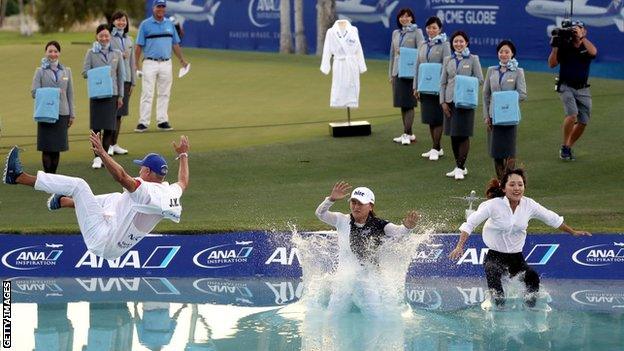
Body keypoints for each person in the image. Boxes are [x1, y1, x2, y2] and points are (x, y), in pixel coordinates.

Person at [2, 133, 190, 260]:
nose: (139, 169)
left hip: (103, 240)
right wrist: (183, 155)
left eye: (142, 167)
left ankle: (18, 177)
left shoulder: (145, 192)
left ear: (148, 171)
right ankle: (61, 201)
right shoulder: (169, 192)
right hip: (115, 245)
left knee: (79, 185)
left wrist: (102, 153)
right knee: (117, 199)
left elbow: (122, 177)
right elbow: (183, 182)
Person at [448, 168, 591, 307]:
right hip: (494, 257)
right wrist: (459, 246)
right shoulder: (492, 205)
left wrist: (572, 232)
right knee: (492, 272)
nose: (517, 188)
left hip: (516, 258)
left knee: (533, 277)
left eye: (520, 184)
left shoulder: (530, 205)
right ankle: (498, 309)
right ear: (504, 188)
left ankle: (531, 309)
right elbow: (470, 224)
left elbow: (552, 219)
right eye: (512, 185)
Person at [315, 181, 419, 314]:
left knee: (375, 315)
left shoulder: (379, 225)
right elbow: (320, 214)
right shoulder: (341, 220)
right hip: (344, 280)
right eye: (353, 202)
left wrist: (408, 227)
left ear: (370, 206)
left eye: (360, 203)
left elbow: (399, 232)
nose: (356, 207)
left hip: (369, 280)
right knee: (333, 315)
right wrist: (331, 199)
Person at [135, 0, 189, 133]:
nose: (161, 9)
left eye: (163, 7)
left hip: (166, 63)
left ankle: (162, 121)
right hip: (149, 62)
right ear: (153, 8)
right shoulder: (145, 24)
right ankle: (143, 122)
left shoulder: (169, 24)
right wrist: (136, 64)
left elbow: (175, 44)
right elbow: (139, 46)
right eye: (158, 6)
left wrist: (182, 60)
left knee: (164, 93)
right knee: (147, 93)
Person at [548, 20, 597, 161]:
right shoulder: (565, 46)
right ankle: (565, 146)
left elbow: (594, 52)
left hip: (583, 88)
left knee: (583, 121)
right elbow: (552, 64)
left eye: (579, 28)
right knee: (572, 114)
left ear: (584, 31)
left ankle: (567, 147)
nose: (576, 30)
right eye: (574, 29)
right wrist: (555, 47)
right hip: (566, 86)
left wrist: (581, 38)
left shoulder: (586, 46)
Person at [440, 31, 484, 180]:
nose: (458, 44)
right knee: (453, 134)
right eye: (455, 42)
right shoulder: (448, 59)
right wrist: (443, 102)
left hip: (466, 102)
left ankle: (460, 167)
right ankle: (459, 166)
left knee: (463, 134)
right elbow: (443, 82)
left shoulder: (473, 59)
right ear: (452, 44)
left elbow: (479, 79)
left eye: (461, 41)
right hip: (450, 101)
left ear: (466, 43)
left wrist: (464, 83)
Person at [83, 24, 125, 169]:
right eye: (101, 36)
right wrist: (98, 74)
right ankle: (96, 158)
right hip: (96, 94)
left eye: (106, 35)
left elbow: (121, 76)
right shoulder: (91, 53)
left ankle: (104, 157)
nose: (104, 38)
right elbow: (84, 72)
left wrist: (121, 96)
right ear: (97, 37)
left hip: (112, 94)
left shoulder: (117, 53)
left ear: (110, 37)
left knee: (109, 128)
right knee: (96, 128)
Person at [483, 40, 527, 179]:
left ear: (512, 53)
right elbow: (486, 94)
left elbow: (522, 94)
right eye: (501, 51)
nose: (503, 54)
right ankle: (501, 184)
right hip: (494, 117)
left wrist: (506, 100)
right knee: (496, 152)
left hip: (509, 117)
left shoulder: (518, 71)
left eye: (506, 51)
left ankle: (507, 181)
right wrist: (486, 115)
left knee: (510, 151)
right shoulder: (491, 70)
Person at [31, 41, 75, 174]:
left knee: (56, 148)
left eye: (55, 51)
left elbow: (70, 94)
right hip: (45, 114)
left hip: (62, 113)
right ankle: (47, 178)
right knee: (46, 148)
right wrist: (53, 92)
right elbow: (34, 92)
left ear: (59, 53)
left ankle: (53, 177)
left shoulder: (67, 71)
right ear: (46, 53)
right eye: (50, 51)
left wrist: (72, 114)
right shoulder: (40, 71)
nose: (53, 54)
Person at [414, 16, 451, 161]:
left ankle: (435, 148)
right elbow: (417, 66)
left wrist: (444, 87)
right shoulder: (422, 44)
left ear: (440, 29)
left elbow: (447, 66)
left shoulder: (445, 45)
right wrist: (415, 86)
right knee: (430, 118)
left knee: (437, 118)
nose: (431, 30)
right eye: (429, 27)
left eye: (434, 27)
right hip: (424, 87)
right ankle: (437, 147)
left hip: (438, 87)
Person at [388, 8, 424, 145]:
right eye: (402, 16)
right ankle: (409, 134)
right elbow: (392, 54)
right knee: (402, 103)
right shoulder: (396, 33)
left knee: (409, 103)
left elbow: (421, 51)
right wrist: (391, 74)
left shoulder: (417, 32)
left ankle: (406, 133)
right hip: (397, 72)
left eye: (407, 16)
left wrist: (404, 52)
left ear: (412, 18)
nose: (404, 19)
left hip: (410, 73)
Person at [109, 10, 137, 156]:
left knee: (120, 114)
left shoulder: (129, 39)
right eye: (118, 20)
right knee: (111, 113)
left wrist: (133, 82)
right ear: (113, 22)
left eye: (123, 20)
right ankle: (107, 145)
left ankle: (114, 143)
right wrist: (120, 55)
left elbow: (132, 63)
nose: (121, 22)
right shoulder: (108, 38)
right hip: (113, 80)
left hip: (126, 80)